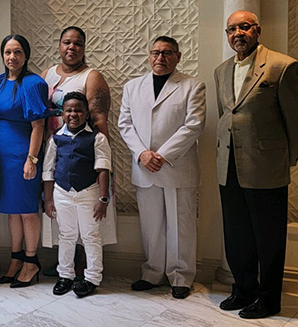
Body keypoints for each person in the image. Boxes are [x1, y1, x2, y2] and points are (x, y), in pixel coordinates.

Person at [215, 10, 298, 319]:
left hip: (267, 165)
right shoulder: (221, 70)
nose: (238, 33)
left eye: (244, 27)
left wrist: (287, 160)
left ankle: (269, 298)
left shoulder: (282, 66)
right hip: (228, 164)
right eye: (232, 29)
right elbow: (226, 116)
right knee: (236, 232)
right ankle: (243, 289)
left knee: (268, 235)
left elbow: (296, 120)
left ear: (258, 31)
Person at [118, 36, 206, 299]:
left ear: (178, 56)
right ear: (149, 55)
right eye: (156, 52)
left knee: (182, 225)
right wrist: (143, 154)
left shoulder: (193, 86)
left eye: (167, 53)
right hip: (144, 167)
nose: (160, 58)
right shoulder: (133, 87)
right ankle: (153, 272)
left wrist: (163, 155)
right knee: (151, 224)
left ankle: (181, 276)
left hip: (177, 167)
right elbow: (125, 124)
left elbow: (193, 125)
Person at [40, 26, 117, 271]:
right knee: (62, 210)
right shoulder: (47, 74)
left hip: (84, 151)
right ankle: (65, 264)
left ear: (84, 48)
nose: (71, 47)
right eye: (66, 42)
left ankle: (85, 265)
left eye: (77, 44)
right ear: (59, 46)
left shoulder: (91, 76)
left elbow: (99, 119)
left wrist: (103, 162)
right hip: (54, 146)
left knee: (86, 211)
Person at [0, 34, 49, 287]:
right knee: (11, 211)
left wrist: (32, 159)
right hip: (1, 155)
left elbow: (39, 126)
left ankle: (31, 260)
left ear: (26, 55)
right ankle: (15, 258)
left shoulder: (33, 83)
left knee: (27, 210)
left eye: (17, 52)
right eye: (7, 52)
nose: (12, 57)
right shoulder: (0, 81)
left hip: (23, 154)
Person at [43, 92, 112, 298]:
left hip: (88, 193)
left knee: (90, 235)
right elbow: (48, 171)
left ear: (86, 113)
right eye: (69, 110)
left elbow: (103, 169)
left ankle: (92, 278)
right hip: (62, 193)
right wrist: (48, 199)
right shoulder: (55, 138)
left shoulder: (96, 138)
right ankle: (65, 275)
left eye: (78, 110)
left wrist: (103, 199)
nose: (73, 114)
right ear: (62, 113)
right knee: (66, 235)